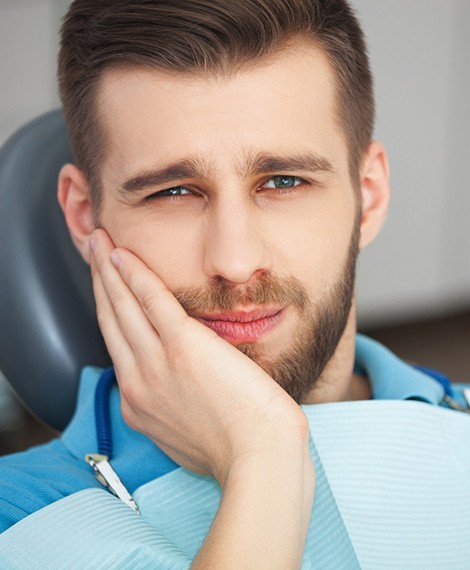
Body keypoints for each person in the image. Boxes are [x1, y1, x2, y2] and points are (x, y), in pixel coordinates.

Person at [0, 0, 469, 567]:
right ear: (83, 216)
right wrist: (261, 458)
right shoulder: (20, 515)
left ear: (367, 195)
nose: (236, 261)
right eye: (173, 191)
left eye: (284, 181)